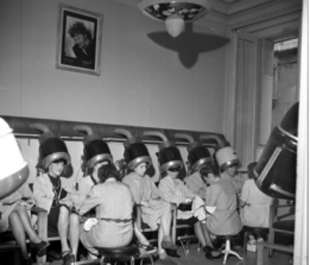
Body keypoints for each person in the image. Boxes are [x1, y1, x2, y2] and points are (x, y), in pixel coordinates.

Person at [158, 164, 222, 260]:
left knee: (199, 219)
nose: (175, 172)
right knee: (199, 216)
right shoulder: (163, 182)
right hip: (170, 212)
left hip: (182, 211)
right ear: (167, 171)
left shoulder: (179, 182)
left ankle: (207, 247)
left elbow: (188, 192)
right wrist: (183, 199)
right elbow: (167, 197)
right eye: (173, 170)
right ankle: (208, 246)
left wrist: (196, 196)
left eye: (177, 170)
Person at [76, 164, 134, 259]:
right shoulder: (127, 188)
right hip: (127, 238)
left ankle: (96, 255)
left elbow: (82, 210)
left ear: (100, 176)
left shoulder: (98, 188)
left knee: (81, 228)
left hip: (105, 238)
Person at [122, 161, 177, 262]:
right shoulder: (127, 179)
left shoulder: (147, 178)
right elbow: (129, 199)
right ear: (134, 167)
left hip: (150, 206)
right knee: (164, 220)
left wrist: (163, 199)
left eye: (145, 167)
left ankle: (166, 238)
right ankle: (162, 250)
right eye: (141, 167)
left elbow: (157, 193)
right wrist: (142, 201)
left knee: (167, 206)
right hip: (137, 211)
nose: (144, 169)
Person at [33, 157, 80, 265]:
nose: (60, 167)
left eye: (62, 164)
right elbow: (38, 199)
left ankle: (73, 257)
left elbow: (75, 196)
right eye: (57, 163)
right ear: (48, 164)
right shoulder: (40, 180)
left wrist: (73, 199)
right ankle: (65, 248)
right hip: (47, 219)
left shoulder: (65, 181)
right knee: (63, 208)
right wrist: (58, 203)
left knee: (75, 217)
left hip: (64, 219)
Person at [0, 182, 49, 265]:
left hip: (19, 215)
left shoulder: (19, 180)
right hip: (2, 215)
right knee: (18, 205)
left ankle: (25, 257)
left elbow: (30, 197)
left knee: (14, 215)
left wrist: (29, 202)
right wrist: (14, 202)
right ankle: (34, 238)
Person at [203, 164, 242, 247]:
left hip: (221, 224)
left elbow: (209, 208)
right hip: (234, 223)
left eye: (205, 179)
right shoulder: (229, 183)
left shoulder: (213, 187)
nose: (206, 182)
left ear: (209, 175)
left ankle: (209, 245)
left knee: (200, 219)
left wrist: (202, 206)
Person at [239, 162, 273, 247]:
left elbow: (242, 203)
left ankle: (251, 238)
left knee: (241, 211)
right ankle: (260, 237)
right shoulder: (268, 182)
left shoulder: (248, 183)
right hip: (266, 216)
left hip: (252, 217)